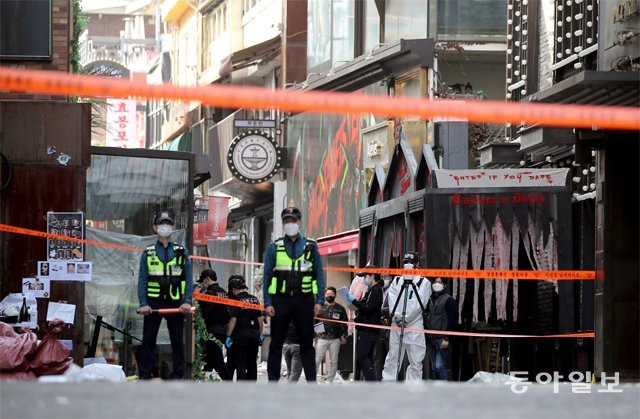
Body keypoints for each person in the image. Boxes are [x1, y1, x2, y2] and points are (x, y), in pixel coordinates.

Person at [263, 206, 325, 382]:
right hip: (280, 300)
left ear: (299, 223)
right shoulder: (274, 247)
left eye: (293, 220)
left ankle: (312, 381)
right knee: (276, 344)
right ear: (283, 223)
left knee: (306, 343)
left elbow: (319, 275)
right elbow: (267, 276)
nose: (290, 224)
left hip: (304, 300)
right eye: (287, 221)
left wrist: (319, 300)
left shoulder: (311, 247)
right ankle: (272, 382)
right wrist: (267, 303)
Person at [137, 209, 193, 380]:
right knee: (148, 340)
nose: (165, 227)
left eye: (168, 224)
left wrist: (187, 301)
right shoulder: (149, 252)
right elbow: (142, 280)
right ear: (155, 227)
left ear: (174, 227)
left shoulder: (181, 251)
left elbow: (188, 279)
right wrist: (143, 303)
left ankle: (177, 374)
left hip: (175, 302)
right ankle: (145, 374)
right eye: (162, 224)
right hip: (153, 303)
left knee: (177, 340)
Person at [381, 252, 431, 381]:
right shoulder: (397, 280)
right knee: (393, 356)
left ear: (417, 264)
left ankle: (413, 386)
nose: (408, 265)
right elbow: (392, 298)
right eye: (405, 263)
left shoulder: (423, 282)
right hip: (396, 323)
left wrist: (406, 318)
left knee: (416, 359)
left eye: (411, 263)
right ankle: (388, 383)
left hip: (414, 325)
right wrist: (397, 316)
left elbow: (420, 303)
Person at [348, 266, 384, 381]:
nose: (364, 279)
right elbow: (363, 307)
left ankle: (372, 381)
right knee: (365, 357)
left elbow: (368, 308)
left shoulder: (376, 290)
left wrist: (353, 300)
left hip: (370, 330)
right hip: (364, 329)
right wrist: (354, 304)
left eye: (365, 276)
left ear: (372, 276)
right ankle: (369, 382)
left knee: (362, 356)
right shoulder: (370, 290)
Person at [225, 275, 263, 381]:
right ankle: (252, 384)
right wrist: (260, 333)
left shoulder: (236, 300)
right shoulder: (254, 299)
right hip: (254, 335)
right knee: (252, 362)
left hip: (241, 335)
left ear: (233, 289)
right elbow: (260, 319)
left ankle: (242, 386)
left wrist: (228, 335)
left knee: (240, 362)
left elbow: (233, 320)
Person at [197, 269, 232, 380]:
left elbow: (203, 311)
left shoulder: (209, 294)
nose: (203, 284)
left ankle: (229, 382)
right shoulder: (224, 292)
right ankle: (200, 380)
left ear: (207, 279)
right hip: (222, 329)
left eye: (203, 281)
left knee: (217, 361)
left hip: (212, 330)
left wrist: (198, 293)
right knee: (210, 360)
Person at [424, 277, 457, 380]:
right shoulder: (428, 299)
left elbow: (452, 319)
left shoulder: (449, 300)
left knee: (440, 366)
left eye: (440, 282)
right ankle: (436, 391)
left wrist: (447, 338)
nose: (437, 284)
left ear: (445, 285)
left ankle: (444, 391)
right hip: (430, 338)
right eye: (435, 282)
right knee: (434, 367)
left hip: (442, 338)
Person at [315, 287, 348, 382]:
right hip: (322, 338)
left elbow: (345, 324)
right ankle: (312, 380)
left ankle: (330, 380)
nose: (329, 296)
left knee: (333, 361)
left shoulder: (340, 309)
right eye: (327, 294)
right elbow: (315, 321)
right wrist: (317, 331)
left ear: (335, 295)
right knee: (317, 359)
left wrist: (344, 335)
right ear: (325, 295)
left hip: (335, 338)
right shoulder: (321, 307)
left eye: (331, 294)